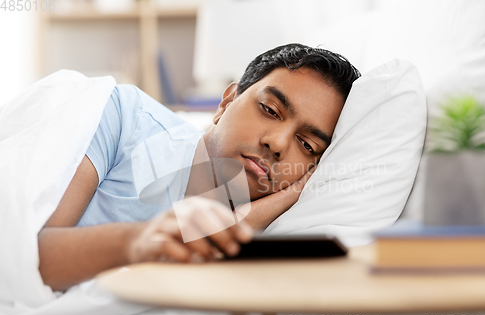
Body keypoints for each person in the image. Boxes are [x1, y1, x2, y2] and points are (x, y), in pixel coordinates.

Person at [38, 43, 360, 291]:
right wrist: (138, 241)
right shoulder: (121, 117)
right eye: (270, 109)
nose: (277, 143)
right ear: (226, 102)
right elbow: (24, 259)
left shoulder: (285, 221)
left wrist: (269, 208)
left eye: (307, 146)